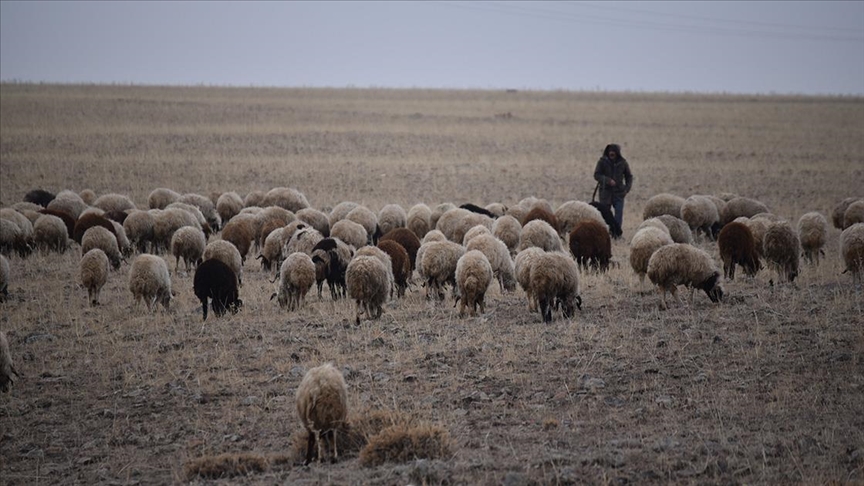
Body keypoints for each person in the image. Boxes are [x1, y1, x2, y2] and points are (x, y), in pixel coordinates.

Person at [593, 143, 632, 238]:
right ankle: (606, 233)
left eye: (613, 153)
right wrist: (607, 180)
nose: (611, 155)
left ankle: (617, 234)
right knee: (605, 213)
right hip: (605, 193)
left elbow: (629, 176)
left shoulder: (623, 163)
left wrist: (626, 189)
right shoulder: (602, 162)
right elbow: (597, 175)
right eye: (610, 153)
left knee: (618, 214)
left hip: (619, 193)